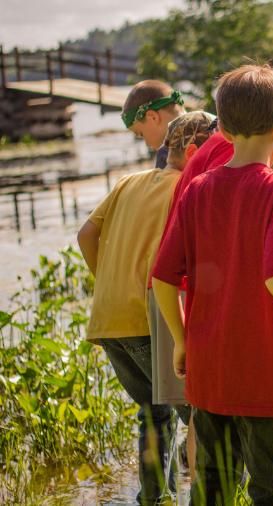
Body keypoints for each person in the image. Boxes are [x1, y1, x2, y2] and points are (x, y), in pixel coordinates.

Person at [151, 64, 273, 506]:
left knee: (214, 489)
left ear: (222, 128)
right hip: (264, 373)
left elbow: (163, 277)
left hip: (210, 371)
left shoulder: (198, 188)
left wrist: (181, 339)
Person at [77, 110, 216, 505]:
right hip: (149, 316)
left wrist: (105, 280)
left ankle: (155, 499)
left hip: (108, 320)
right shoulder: (188, 188)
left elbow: (86, 233)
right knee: (200, 416)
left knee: (152, 414)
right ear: (194, 152)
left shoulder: (128, 182)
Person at [122, 79, 187, 169]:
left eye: (141, 134)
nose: (146, 143)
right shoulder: (210, 126)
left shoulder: (168, 155)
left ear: (153, 117)